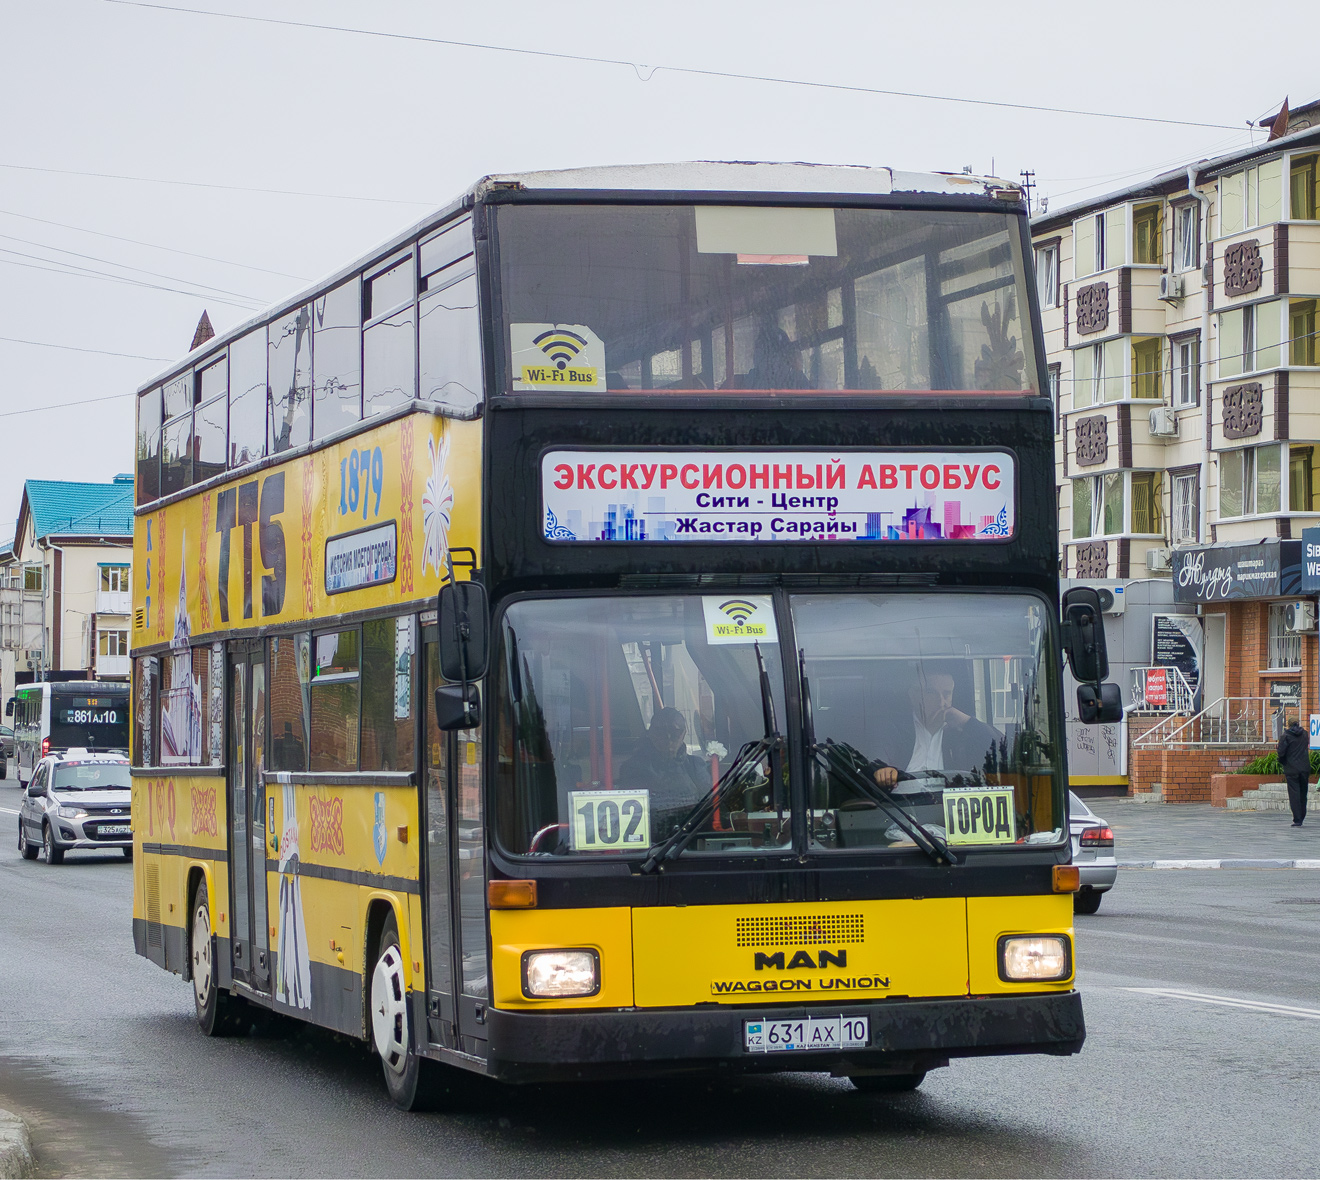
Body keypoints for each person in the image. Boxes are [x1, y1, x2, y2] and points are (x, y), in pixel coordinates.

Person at [870, 665, 1003, 788]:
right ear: (913, 695)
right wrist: (884, 770)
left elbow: (1001, 748)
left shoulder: (959, 733)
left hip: (947, 808)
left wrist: (967, 722)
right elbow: (876, 762)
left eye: (946, 694)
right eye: (931, 693)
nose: (941, 702)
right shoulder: (894, 728)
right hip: (901, 806)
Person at [618, 707, 710, 831]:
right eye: (660, 731)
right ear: (650, 733)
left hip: (691, 839)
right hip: (652, 842)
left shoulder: (696, 766)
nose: (668, 736)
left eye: (675, 731)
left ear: (683, 733)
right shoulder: (632, 768)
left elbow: (709, 808)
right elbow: (632, 813)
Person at [1277, 712, 1311, 827]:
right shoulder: (1305, 734)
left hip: (1291, 769)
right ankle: (1302, 815)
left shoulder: (1285, 736)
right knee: (1303, 793)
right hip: (1304, 768)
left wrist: (1283, 762)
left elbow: (1281, 753)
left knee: (1294, 794)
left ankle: (1297, 819)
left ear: (1288, 724)